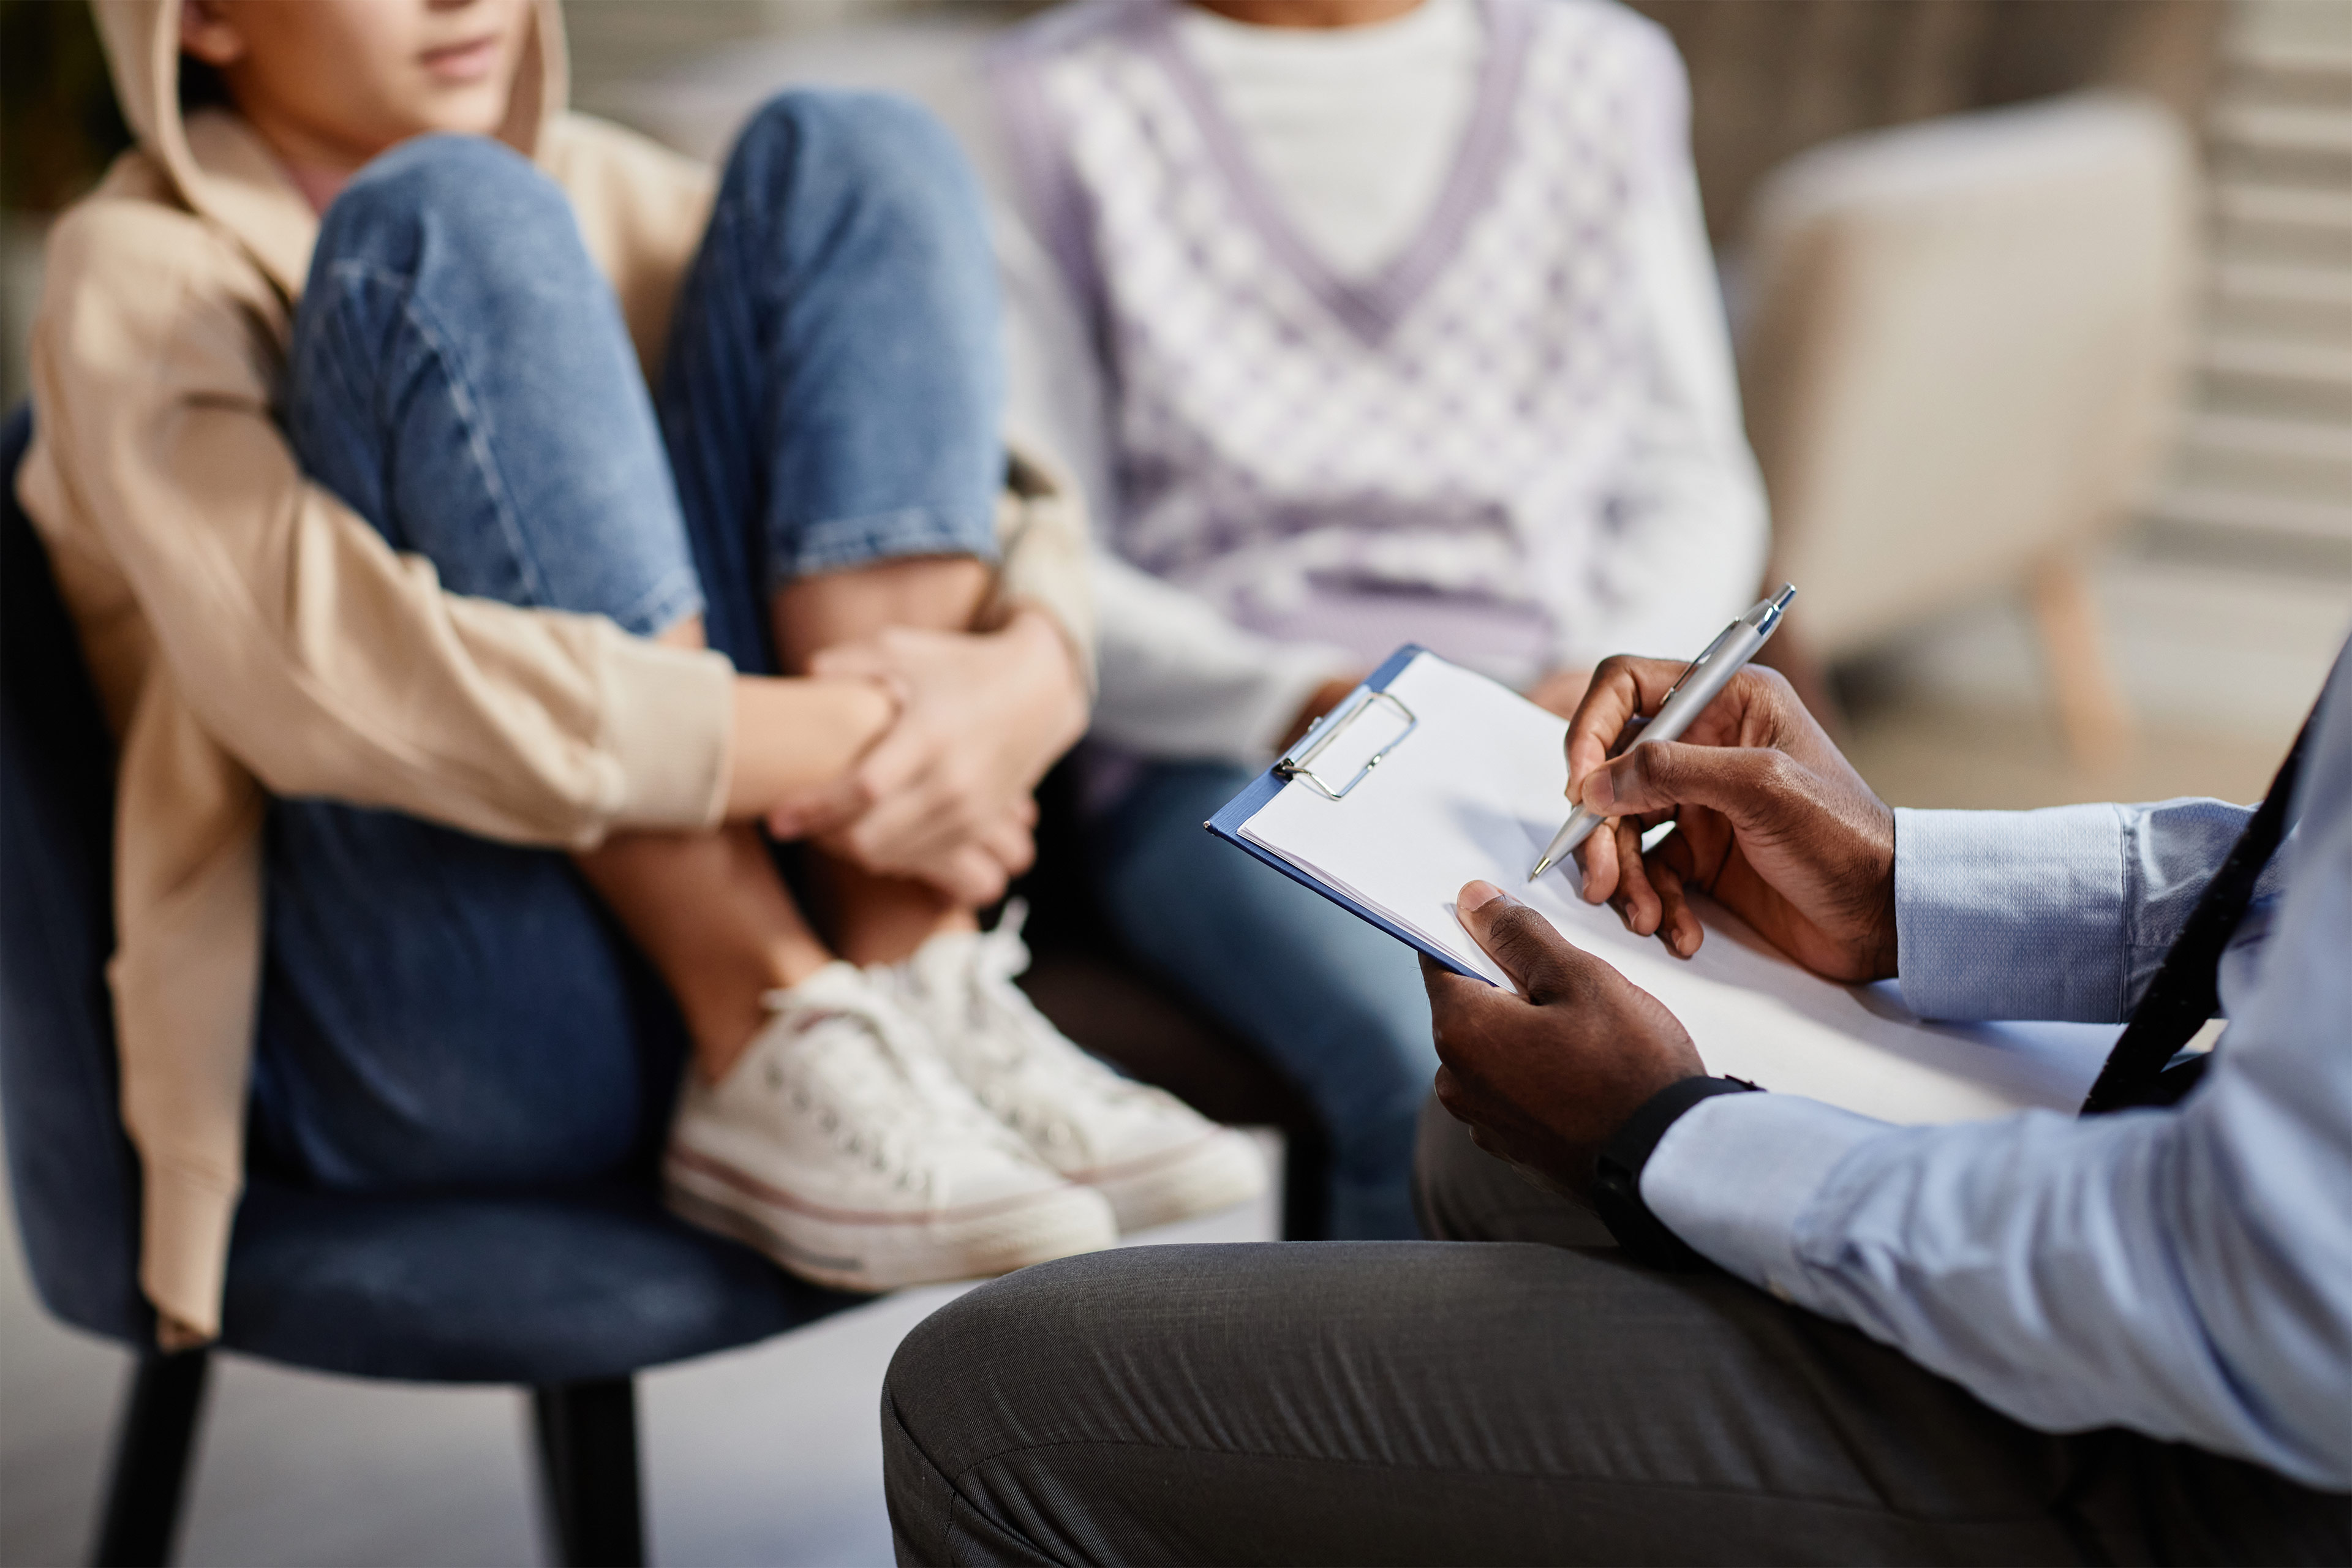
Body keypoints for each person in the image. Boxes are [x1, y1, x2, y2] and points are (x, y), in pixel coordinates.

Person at [21, 0, 1259, 1344]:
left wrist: (1032, 670)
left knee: (862, 146)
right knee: (454, 213)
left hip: (808, 954)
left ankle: (915, 970)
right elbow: (319, 688)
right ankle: (759, 1010)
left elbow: (993, 468)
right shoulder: (131, 271)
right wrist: (882, 736)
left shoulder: (608, 183)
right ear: (199, 18)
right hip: (432, 1017)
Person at [881, 637, 2352, 1563]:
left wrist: (1675, 1132)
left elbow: (2258, 1284)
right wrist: (1908, 886)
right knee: (1477, 1139)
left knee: (983, 1406)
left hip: (2239, 1469)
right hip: (2222, 1215)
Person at [975, 0, 1770, 1238]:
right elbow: (1042, 544)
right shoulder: (1048, 105)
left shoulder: (1599, 73)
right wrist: (1305, 698)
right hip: (1232, 748)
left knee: (1746, 1070)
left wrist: (1604, 677)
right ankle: (1384, 1428)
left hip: (1560, 725)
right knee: (1449, 1075)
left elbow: (1692, 472)